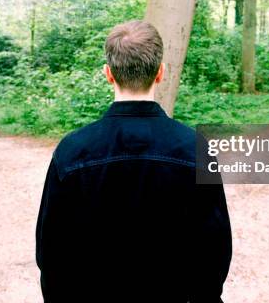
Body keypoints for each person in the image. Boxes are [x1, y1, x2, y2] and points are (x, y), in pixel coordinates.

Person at [35, 20, 232, 303]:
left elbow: (52, 256)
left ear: (108, 74)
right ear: (161, 72)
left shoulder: (71, 152)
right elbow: (214, 252)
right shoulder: (196, 149)